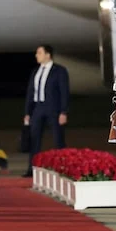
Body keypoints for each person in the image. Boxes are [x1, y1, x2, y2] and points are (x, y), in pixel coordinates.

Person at [22, 44, 70, 176]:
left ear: (48, 55)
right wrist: (27, 112)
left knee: (58, 139)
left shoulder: (59, 71)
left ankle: (62, 168)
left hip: (53, 109)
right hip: (38, 108)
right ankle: (32, 169)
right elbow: (30, 93)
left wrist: (64, 111)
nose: (36, 55)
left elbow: (64, 92)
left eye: (39, 53)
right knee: (34, 139)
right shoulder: (35, 71)